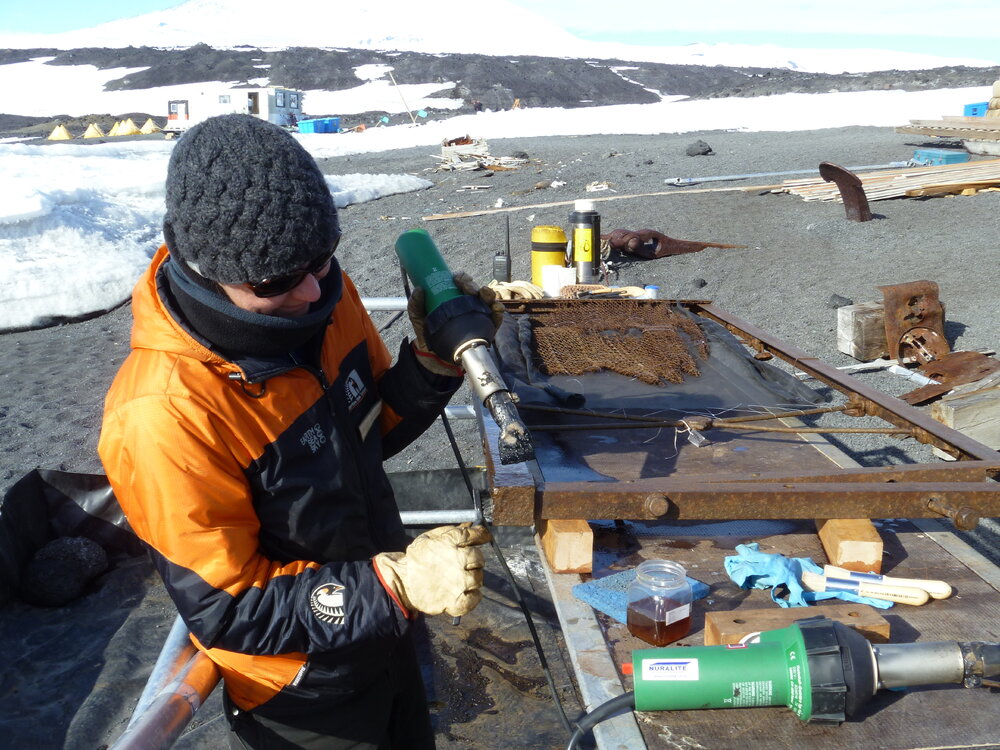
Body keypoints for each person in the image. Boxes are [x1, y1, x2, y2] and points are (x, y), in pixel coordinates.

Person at [98, 113, 499, 749]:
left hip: (386, 635)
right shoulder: (163, 413)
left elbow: (366, 434)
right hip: (303, 690)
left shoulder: (324, 301)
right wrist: (394, 584)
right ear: (206, 269)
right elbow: (227, 609)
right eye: (278, 279)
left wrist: (429, 365)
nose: (312, 289)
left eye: (319, 258)